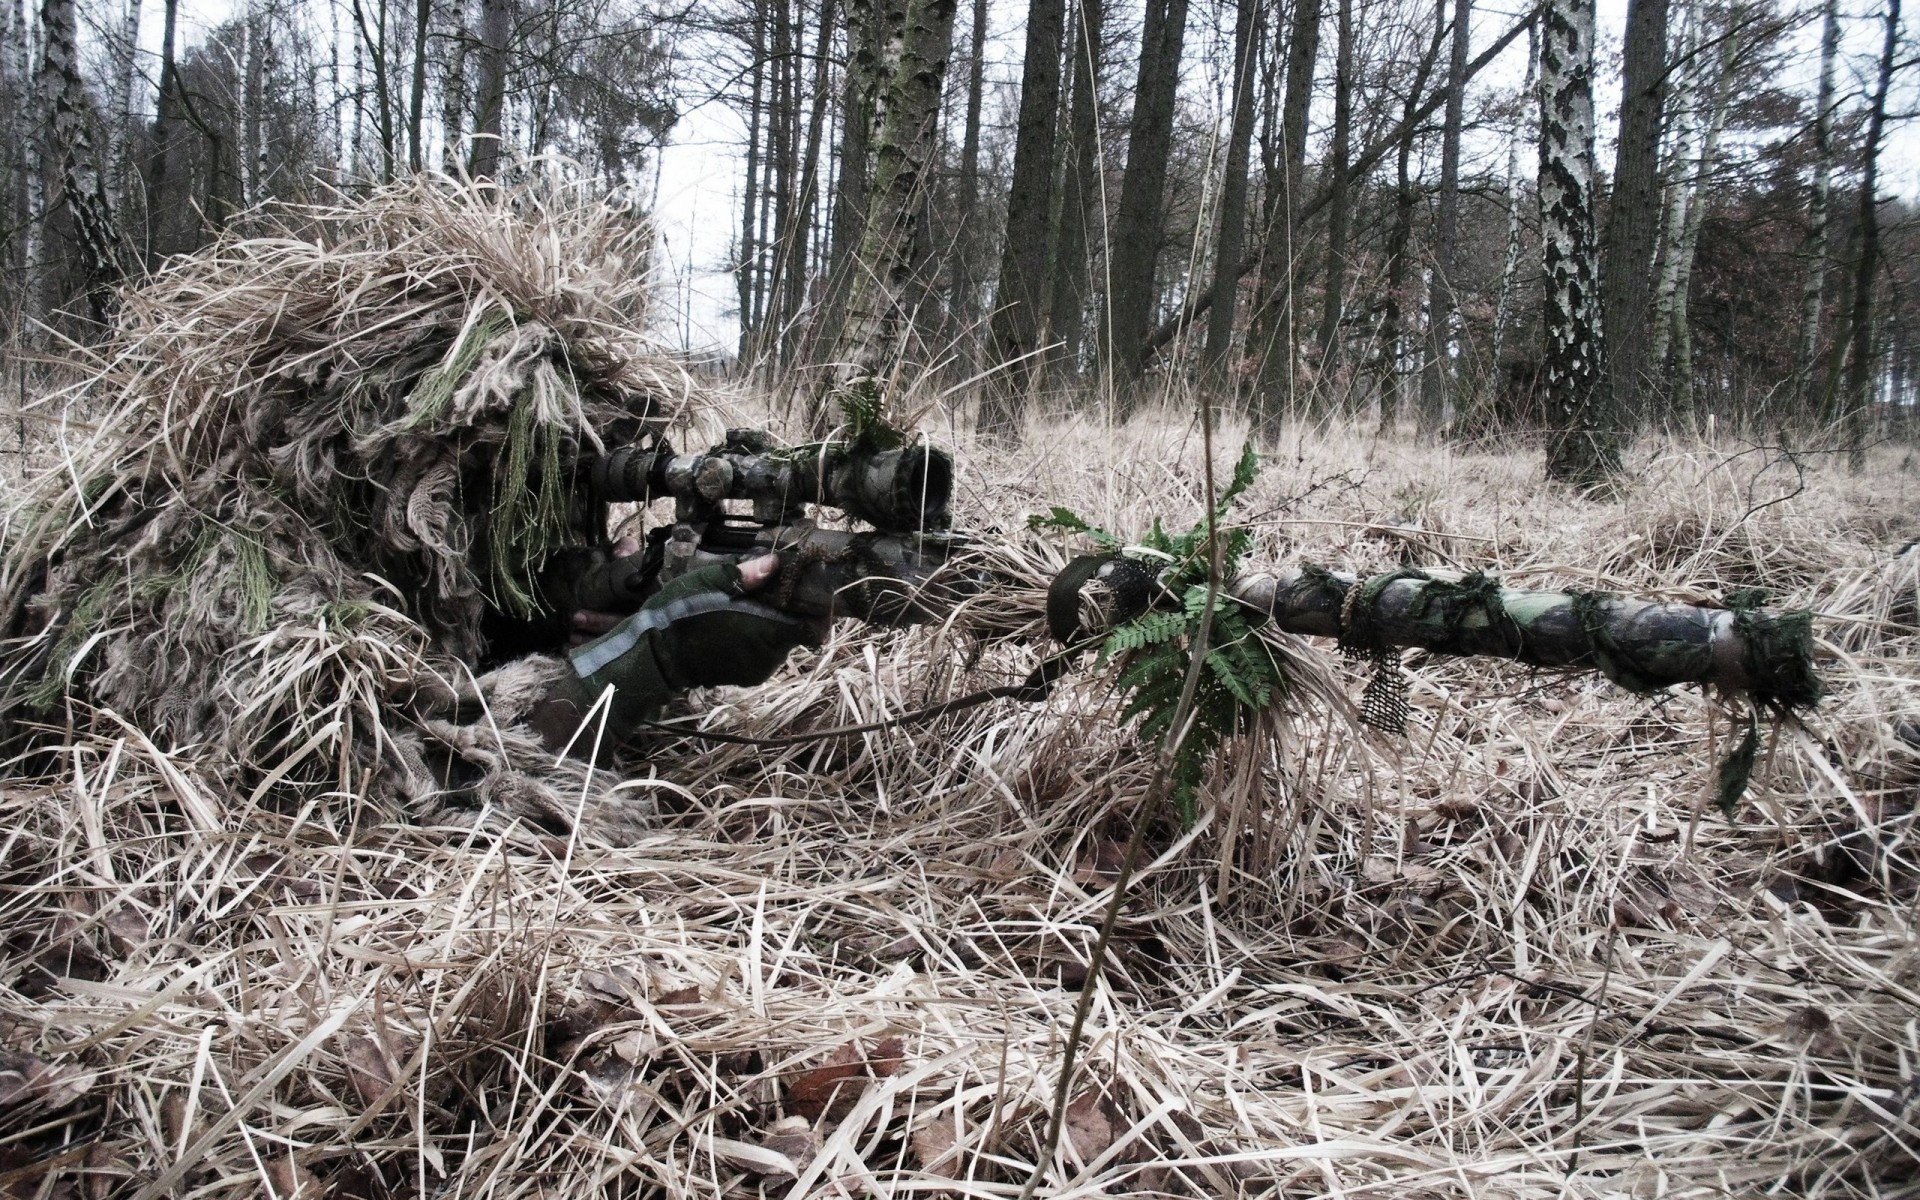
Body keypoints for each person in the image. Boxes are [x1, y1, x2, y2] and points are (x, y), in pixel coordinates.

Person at [0, 179, 814, 840]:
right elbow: (402, 785)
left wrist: (615, 590)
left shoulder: (422, 540)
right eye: (509, 481)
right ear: (401, 460)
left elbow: (495, 597)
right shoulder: (239, 559)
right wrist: (654, 652)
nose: (546, 510)